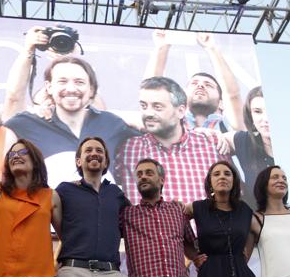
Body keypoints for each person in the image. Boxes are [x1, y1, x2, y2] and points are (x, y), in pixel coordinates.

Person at [5, 56, 139, 186]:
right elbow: (10, 102)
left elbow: (153, 134)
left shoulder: (111, 123)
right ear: (49, 87)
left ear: (91, 89)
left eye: (79, 82)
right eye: (62, 81)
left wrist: (134, 119)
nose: (71, 89)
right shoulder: (27, 124)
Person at [54, 137, 135, 277]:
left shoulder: (116, 193)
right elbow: (53, 218)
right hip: (74, 274)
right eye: (88, 150)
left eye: (99, 151)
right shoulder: (64, 190)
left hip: (111, 275)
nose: (94, 153)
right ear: (78, 160)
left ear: (106, 161)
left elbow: (137, 220)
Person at [116, 76, 229, 205]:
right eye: (144, 106)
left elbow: (233, 197)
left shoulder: (211, 145)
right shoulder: (128, 149)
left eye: (157, 107)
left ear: (180, 111)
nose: (148, 113)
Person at [0, 139, 62, 277]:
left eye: (22, 152)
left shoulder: (51, 196)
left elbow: (65, 236)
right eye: (11, 154)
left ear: (35, 161)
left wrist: (56, 265)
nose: (16, 156)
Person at [121, 158, 202, 277]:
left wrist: (199, 259)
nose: (143, 177)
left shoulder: (177, 211)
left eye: (149, 173)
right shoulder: (126, 214)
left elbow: (191, 247)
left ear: (162, 180)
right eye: (139, 174)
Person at [185, 161, 259, 277]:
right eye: (216, 174)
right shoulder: (197, 208)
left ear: (234, 181)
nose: (222, 177)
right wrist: (192, 255)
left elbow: (264, 225)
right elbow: (174, 222)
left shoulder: (245, 210)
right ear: (209, 182)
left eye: (227, 173)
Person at [144, 30, 244, 132]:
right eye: (194, 83)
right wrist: (162, 47)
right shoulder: (169, 121)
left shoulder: (229, 126)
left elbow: (233, 96)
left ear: (221, 103)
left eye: (208, 85)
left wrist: (212, 48)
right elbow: (150, 92)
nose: (200, 86)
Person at [222, 87, 274, 206]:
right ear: (251, 116)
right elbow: (214, 138)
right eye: (257, 111)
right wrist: (210, 132)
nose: (265, 119)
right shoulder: (246, 142)